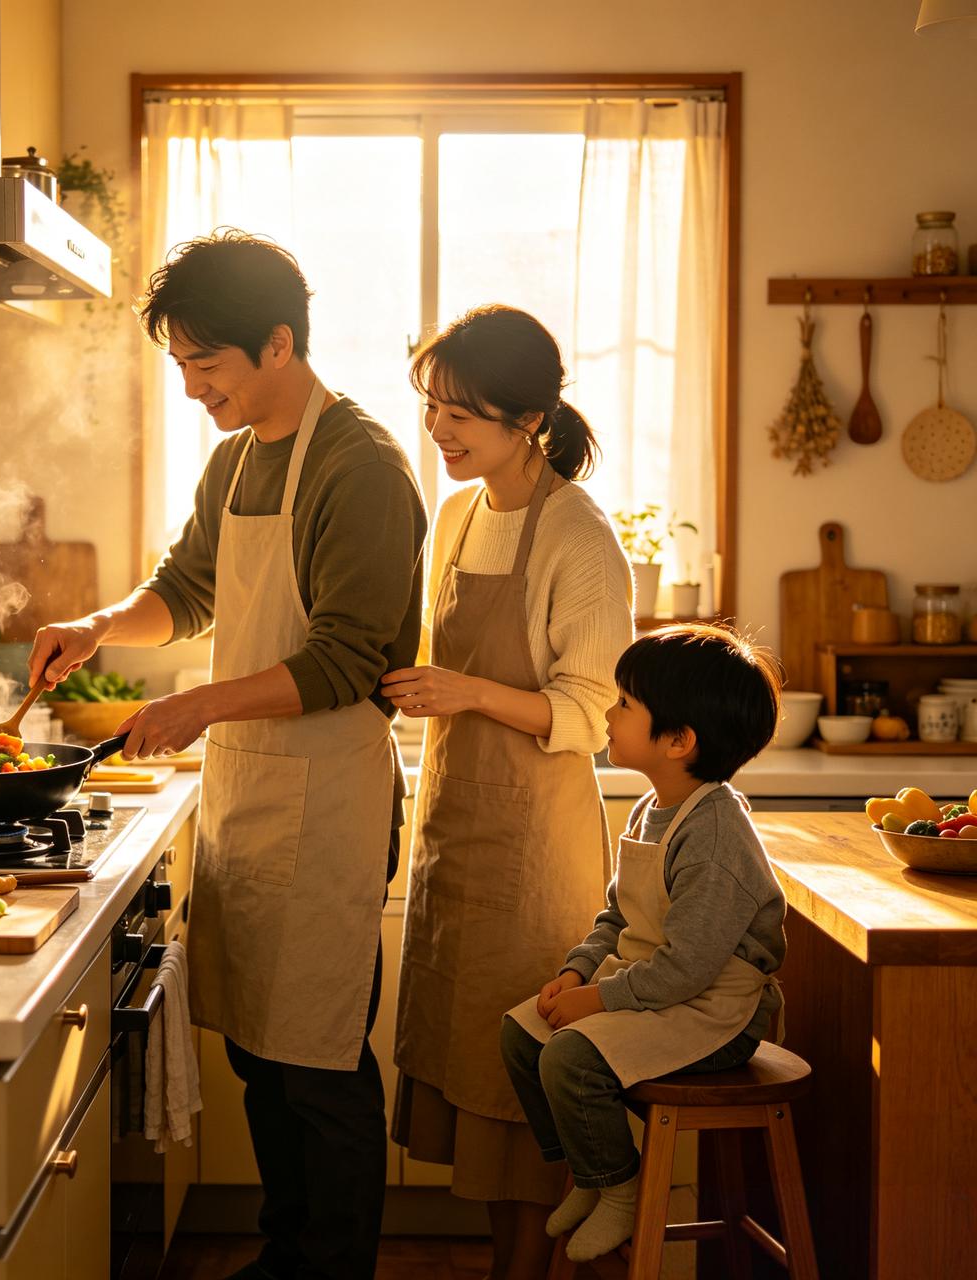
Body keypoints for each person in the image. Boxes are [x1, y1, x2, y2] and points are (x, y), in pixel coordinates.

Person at [27, 230, 427, 1280]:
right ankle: (285, 1254)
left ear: (280, 344)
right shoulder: (236, 456)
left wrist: (198, 704)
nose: (193, 387)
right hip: (252, 788)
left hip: (331, 790)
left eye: (207, 364)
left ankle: (329, 1265)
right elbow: (190, 588)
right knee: (257, 1046)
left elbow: (344, 657)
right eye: (182, 366)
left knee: (320, 1059)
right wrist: (97, 624)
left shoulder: (361, 466)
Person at [382, 305, 633, 1280]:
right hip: (451, 835)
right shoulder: (455, 512)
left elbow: (589, 708)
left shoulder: (579, 534)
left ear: (528, 418)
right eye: (434, 407)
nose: (440, 430)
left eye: (462, 414)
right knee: (467, 1073)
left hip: (535, 852)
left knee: (522, 1091)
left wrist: (465, 692)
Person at [500, 623, 786, 1264]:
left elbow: (689, 967)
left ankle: (619, 1188)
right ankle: (594, 1171)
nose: (608, 711)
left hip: (718, 1011)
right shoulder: (651, 808)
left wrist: (599, 1004)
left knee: (568, 1059)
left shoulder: (713, 835)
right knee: (522, 1037)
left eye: (625, 703)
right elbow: (616, 918)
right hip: (661, 986)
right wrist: (578, 975)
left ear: (680, 741)